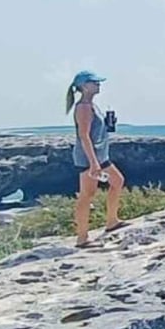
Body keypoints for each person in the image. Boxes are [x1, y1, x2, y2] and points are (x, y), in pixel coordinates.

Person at [66, 70, 125, 247]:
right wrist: (93, 163)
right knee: (87, 194)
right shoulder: (83, 107)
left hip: (100, 154)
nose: (98, 85)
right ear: (84, 86)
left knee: (117, 181)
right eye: (94, 82)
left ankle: (112, 221)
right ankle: (82, 238)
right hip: (89, 157)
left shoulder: (92, 105)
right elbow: (84, 136)